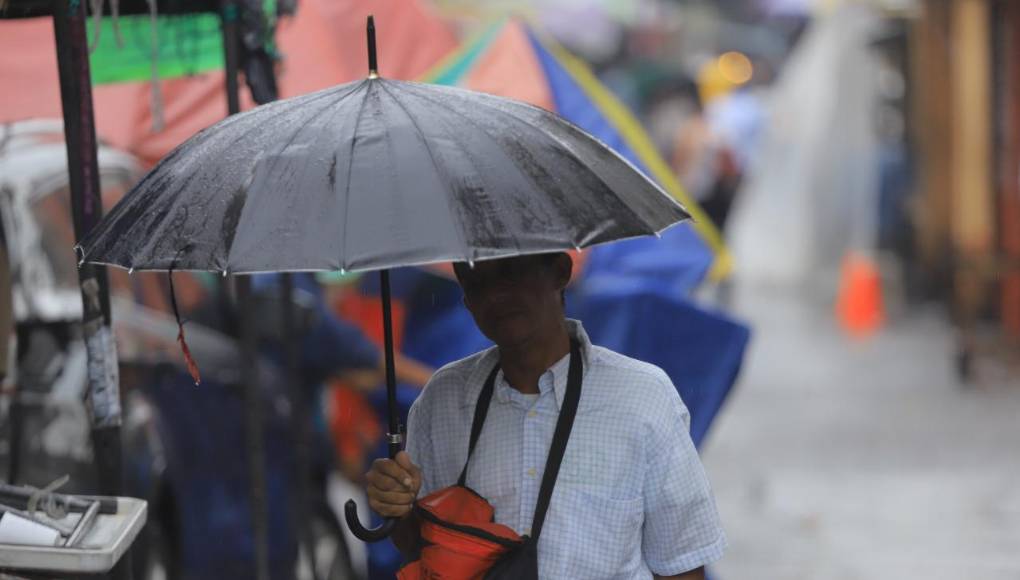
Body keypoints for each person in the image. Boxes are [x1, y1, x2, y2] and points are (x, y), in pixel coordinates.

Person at [365, 253, 726, 579]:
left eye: (511, 272)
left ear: (560, 270)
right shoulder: (442, 400)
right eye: (477, 280)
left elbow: (681, 562)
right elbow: (422, 546)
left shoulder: (643, 397)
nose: (496, 294)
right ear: (465, 297)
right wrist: (397, 507)